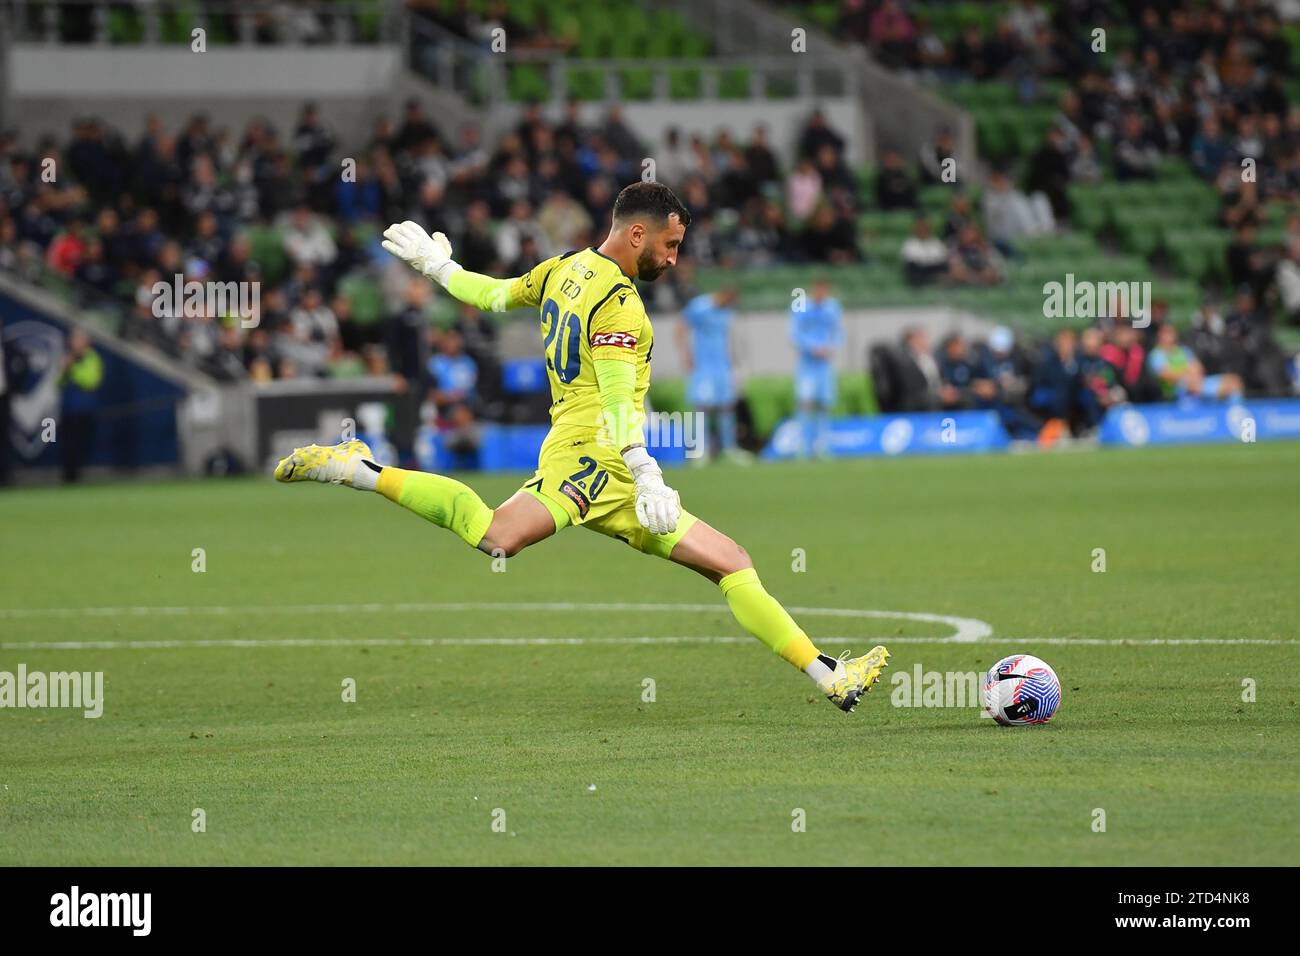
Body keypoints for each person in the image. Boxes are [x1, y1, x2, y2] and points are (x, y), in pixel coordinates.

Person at [274, 182, 889, 714]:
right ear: (638, 234)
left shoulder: (561, 269)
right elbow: (621, 401)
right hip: (597, 460)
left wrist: (439, 269)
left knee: (731, 561)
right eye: (670, 246)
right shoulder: (622, 303)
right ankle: (359, 469)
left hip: (589, 451)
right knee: (495, 536)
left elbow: (491, 295)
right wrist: (647, 474)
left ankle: (830, 676)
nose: (674, 260)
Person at [679, 284, 747, 463]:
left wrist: (734, 361)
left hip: (722, 367)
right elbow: (681, 327)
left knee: (727, 406)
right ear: (723, 294)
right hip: (703, 367)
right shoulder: (699, 306)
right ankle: (700, 451)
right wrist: (686, 354)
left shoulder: (726, 311)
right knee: (702, 407)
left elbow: (727, 336)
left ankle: (729, 449)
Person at [790, 277, 842, 457]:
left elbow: (838, 331)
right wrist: (813, 347)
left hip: (825, 365)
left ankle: (823, 446)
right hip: (807, 364)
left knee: (824, 404)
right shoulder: (800, 304)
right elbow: (794, 333)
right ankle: (802, 446)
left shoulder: (833, 306)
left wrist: (832, 347)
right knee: (805, 402)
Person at [59, 329, 103, 483]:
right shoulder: (66, 356)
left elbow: (91, 381)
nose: (75, 343)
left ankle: (79, 474)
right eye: (73, 339)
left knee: (82, 443)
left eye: (78, 339)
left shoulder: (92, 357)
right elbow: (57, 382)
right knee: (67, 443)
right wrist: (65, 370)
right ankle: (69, 475)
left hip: (85, 408)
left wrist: (72, 369)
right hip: (67, 408)